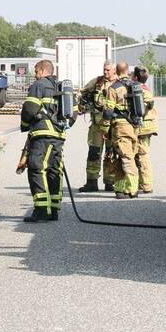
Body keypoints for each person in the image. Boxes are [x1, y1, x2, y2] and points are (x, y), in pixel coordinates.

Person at [20, 59, 72, 222]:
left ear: (42, 71)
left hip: (42, 135)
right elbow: (74, 112)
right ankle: (53, 210)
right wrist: (63, 126)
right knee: (53, 170)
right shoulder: (62, 87)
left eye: (36, 72)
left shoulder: (39, 85)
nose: (35, 76)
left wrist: (24, 125)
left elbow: (29, 108)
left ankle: (42, 210)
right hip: (58, 135)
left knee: (37, 169)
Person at [77, 61, 117, 192]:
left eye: (108, 70)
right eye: (104, 69)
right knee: (94, 153)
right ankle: (91, 182)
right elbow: (82, 93)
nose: (105, 72)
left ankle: (110, 182)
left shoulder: (119, 84)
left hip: (113, 126)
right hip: (96, 127)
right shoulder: (96, 82)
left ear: (114, 70)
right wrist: (83, 103)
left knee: (111, 154)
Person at [103, 61, 140, 199]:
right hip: (134, 126)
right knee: (120, 156)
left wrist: (105, 128)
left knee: (126, 157)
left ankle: (132, 189)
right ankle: (120, 189)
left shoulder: (114, 88)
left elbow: (107, 112)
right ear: (128, 71)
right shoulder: (136, 86)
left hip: (121, 127)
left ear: (116, 72)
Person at [132, 65, 159, 194]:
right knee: (141, 154)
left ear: (135, 77)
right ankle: (143, 183)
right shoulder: (146, 88)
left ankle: (147, 185)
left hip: (143, 127)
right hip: (148, 126)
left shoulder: (140, 90)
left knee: (142, 155)